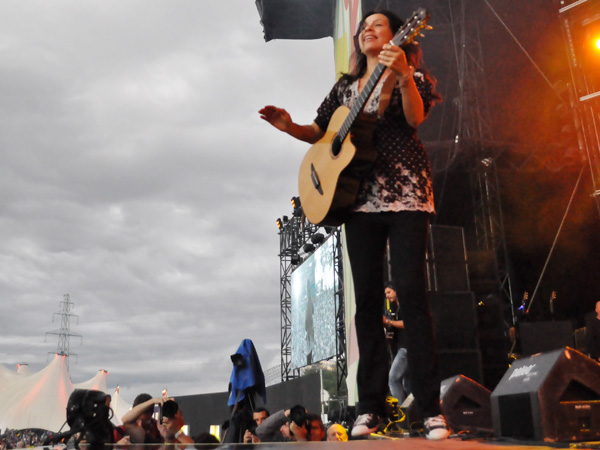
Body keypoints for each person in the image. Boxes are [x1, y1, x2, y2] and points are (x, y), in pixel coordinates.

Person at [259, 9, 449, 441]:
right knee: (365, 304)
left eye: (377, 25)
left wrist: (401, 75)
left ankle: (431, 409)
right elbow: (323, 132)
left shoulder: (409, 76)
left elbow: (416, 120)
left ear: (397, 36)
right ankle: (370, 408)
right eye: (364, 25)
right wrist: (289, 127)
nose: (367, 28)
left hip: (404, 194)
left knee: (411, 294)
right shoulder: (346, 87)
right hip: (358, 200)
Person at [383, 281, 410, 403]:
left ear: (396, 290)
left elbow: (407, 323)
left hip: (406, 348)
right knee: (407, 383)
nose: (387, 296)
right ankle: (412, 413)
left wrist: (389, 322)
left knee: (393, 379)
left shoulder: (405, 305)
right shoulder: (398, 308)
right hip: (404, 348)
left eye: (389, 292)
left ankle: (402, 413)